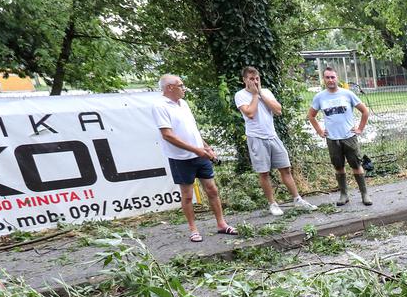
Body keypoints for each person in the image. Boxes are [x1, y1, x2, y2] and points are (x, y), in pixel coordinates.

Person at [153, 74, 236, 242]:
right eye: (181, 85)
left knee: (212, 189)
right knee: (188, 195)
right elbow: (168, 136)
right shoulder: (159, 106)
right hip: (180, 158)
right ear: (170, 87)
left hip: (200, 154)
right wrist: (196, 150)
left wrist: (205, 146)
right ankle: (193, 229)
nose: (184, 88)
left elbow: (192, 129)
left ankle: (221, 224)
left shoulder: (183, 104)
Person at [235, 67, 316, 216]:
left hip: (272, 136)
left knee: (286, 168)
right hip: (256, 138)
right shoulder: (240, 95)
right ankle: (272, 204)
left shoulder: (266, 92)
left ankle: (297, 199)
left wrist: (261, 94)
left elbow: (278, 110)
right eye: (251, 79)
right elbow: (250, 113)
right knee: (264, 172)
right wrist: (254, 96)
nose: (255, 81)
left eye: (257, 78)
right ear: (244, 80)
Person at [308, 67, 372, 206]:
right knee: (339, 167)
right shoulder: (320, 97)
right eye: (327, 77)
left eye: (332, 77)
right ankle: (344, 195)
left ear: (337, 78)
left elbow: (365, 111)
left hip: (349, 137)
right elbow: (311, 116)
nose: (330, 80)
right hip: (332, 139)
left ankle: (364, 194)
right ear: (324, 79)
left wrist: (360, 128)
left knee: (356, 165)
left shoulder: (347, 94)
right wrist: (319, 130)